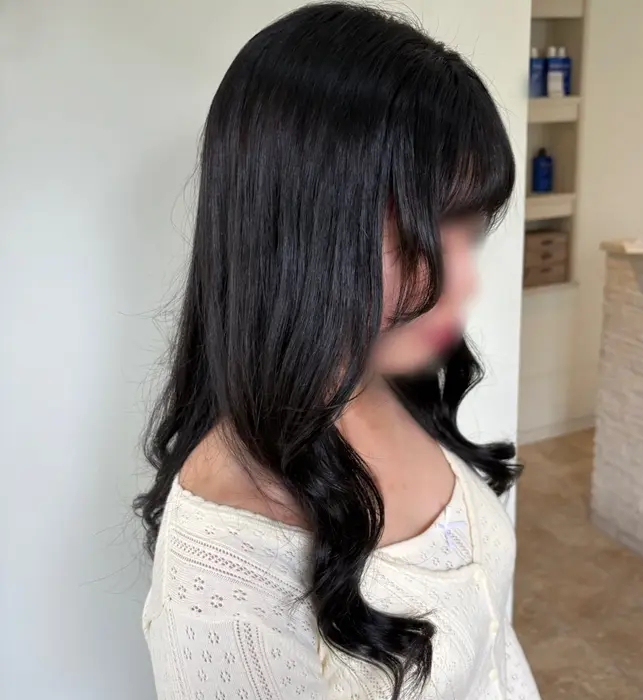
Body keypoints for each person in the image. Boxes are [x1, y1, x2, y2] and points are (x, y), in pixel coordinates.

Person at [136, 3, 540, 699]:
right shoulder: (223, 578)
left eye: (469, 234)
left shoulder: (388, 384)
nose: (467, 281)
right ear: (300, 226)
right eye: (423, 234)